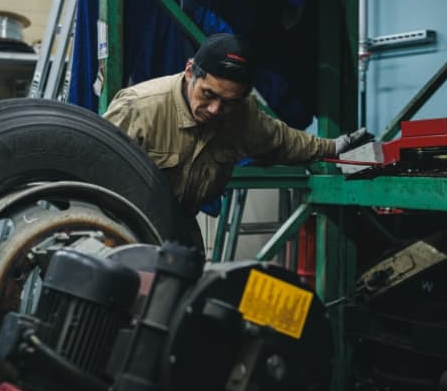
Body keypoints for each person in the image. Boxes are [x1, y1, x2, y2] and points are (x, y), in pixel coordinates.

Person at [103, 33, 369, 248]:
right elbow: (91, 167)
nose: (216, 109)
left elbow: (284, 141)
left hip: (177, 230)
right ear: (189, 72)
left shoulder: (243, 116)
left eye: (229, 102)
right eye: (208, 94)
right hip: (120, 229)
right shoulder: (138, 108)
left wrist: (335, 147)